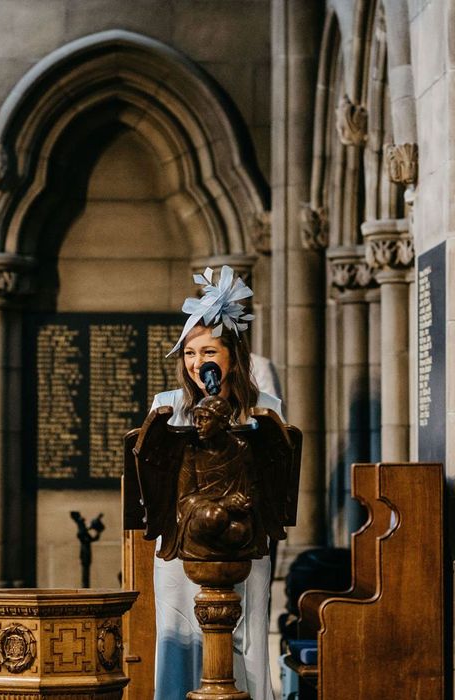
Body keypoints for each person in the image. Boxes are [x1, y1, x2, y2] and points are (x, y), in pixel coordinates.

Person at [149, 265, 281, 700]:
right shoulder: (167, 408)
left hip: (244, 538)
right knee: (180, 632)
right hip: (182, 539)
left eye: (207, 352)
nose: (196, 363)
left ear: (231, 356)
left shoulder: (262, 408)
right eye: (189, 353)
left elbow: (277, 474)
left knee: (244, 634)